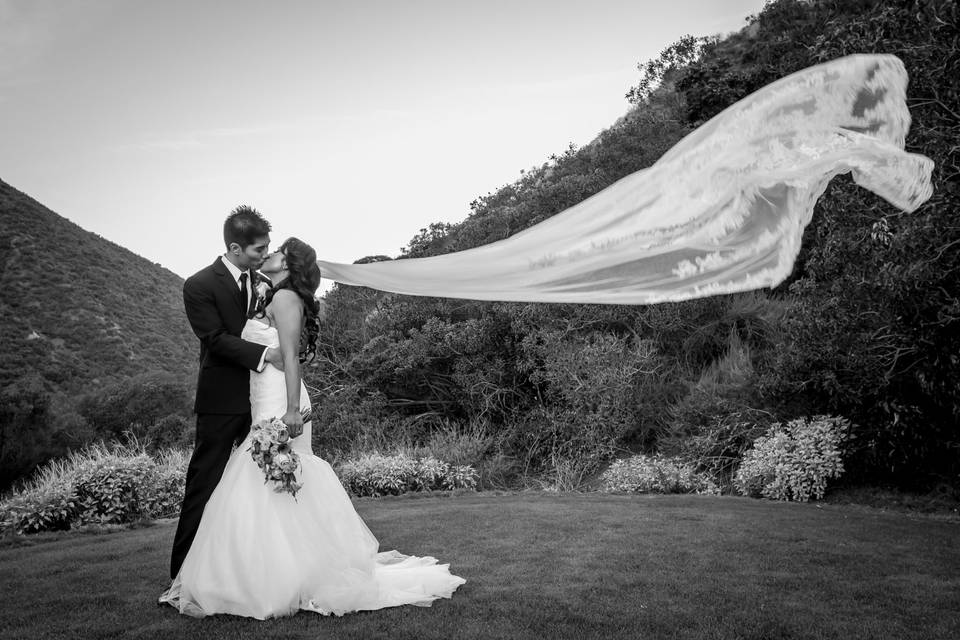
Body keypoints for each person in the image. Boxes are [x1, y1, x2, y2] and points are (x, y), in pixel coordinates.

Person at [160, 236, 465, 618]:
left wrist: (290, 410)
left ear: (286, 264)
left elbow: (290, 359)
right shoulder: (272, 292)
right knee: (266, 484)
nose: (269, 254)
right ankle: (270, 572)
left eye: (276, 251)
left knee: (271, 481)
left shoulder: (285, 299)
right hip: (260, 396)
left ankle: (283, 578)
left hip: (278, 400)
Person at [169, 205, 284, 581]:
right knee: (204, 485)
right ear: (235, 248)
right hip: (221, 402)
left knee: (262, 484)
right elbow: (215, 340)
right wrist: (268, 354)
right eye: (258, 250)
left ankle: (259, 569)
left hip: (261, 399)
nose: (265, 255)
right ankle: (183, 575)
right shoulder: (199, 285)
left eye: (267, 248)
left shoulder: (263, 283)